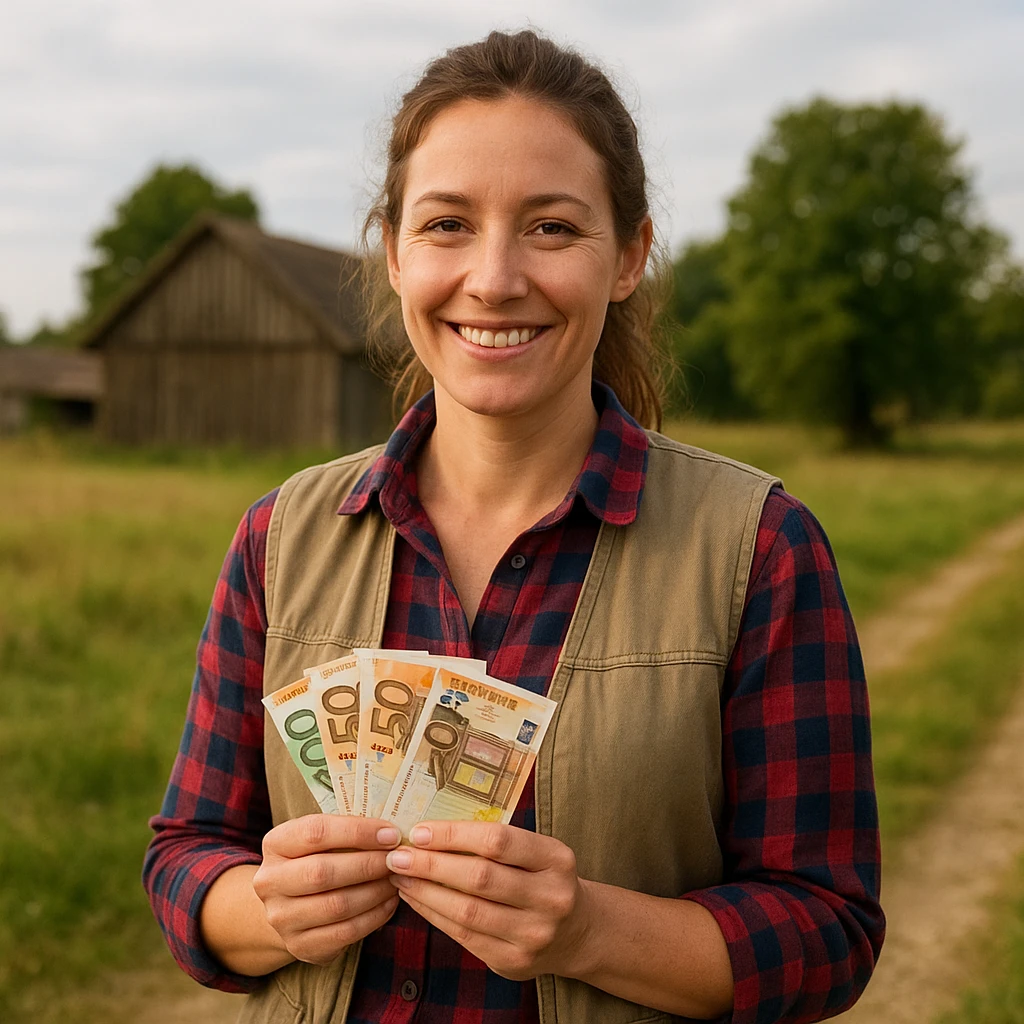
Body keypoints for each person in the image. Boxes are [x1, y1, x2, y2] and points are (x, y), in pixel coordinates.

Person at [144, 29, 884, 1024]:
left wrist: (585, 929)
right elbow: (186, 855)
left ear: (627, 256)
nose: (493, 279)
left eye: (550, 228)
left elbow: (827, 930)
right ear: (396, 253)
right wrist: (270, 907)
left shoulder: (760, 547)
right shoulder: (279, 538)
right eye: (447, 224)